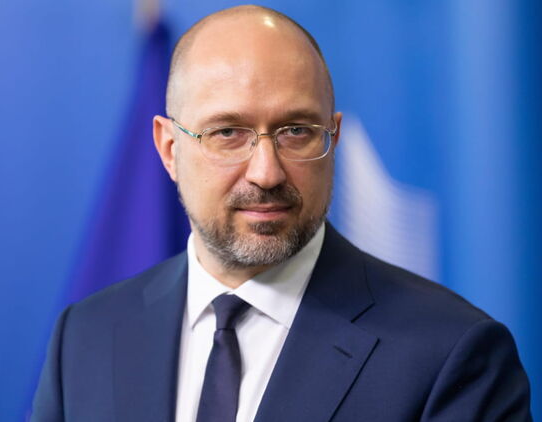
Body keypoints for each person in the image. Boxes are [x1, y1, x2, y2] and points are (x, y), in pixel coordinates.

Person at [31, 5, 531, 421]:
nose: (266, 173)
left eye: (296, 131)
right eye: (228, 133)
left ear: (333, 138)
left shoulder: (451, 354)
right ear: (169, 149)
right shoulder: (85, 337)